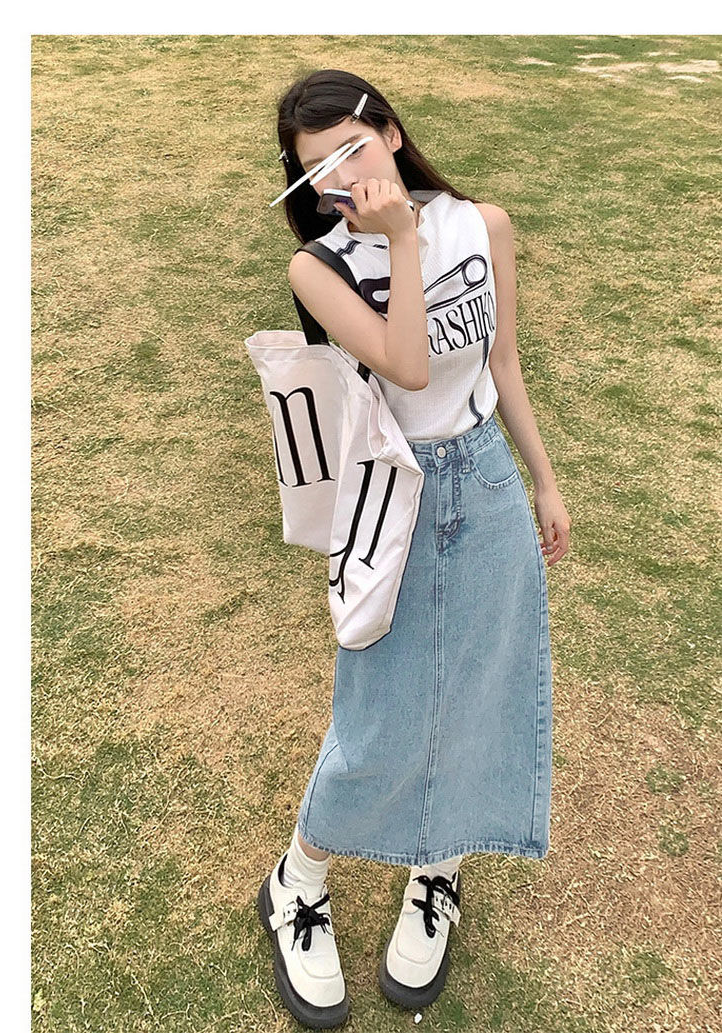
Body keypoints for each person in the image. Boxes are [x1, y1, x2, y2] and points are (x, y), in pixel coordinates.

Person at [256, 68, 572, 1029]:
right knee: (380, 711)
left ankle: (438, 868)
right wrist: (395, 238)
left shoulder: (484, 225)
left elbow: (500, 362)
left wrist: (543, 477)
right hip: (394, 489)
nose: (341, 178)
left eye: (353, 148)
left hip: (486, 474)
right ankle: (296, 879)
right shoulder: (321, 267)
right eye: (317, 169)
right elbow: (408, 365)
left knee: (483, 684)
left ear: (390, 133)